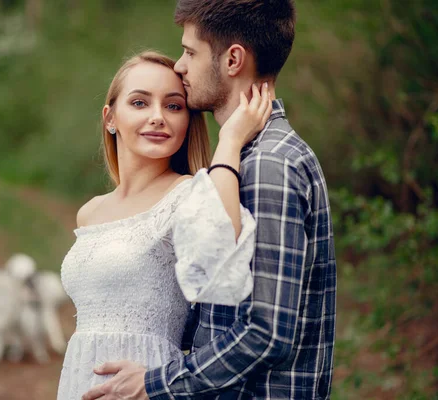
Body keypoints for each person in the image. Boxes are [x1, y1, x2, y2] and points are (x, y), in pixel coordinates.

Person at [83, 1, 337, 399]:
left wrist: (155, 383)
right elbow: (215, 307)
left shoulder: (269, 166)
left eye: (190, 52)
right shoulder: (245, 161)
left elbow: (266, 333)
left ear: (233, 59)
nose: (180, 67)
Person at [57, 50, 272, 399]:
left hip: (147, 385)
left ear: (188, 121)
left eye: (174, 106)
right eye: (140, 103)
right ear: (110, 118)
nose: (158, 117)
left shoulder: (189, 194)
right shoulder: (90, 212)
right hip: (80, 382)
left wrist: (230, 142)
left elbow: (223, 254)